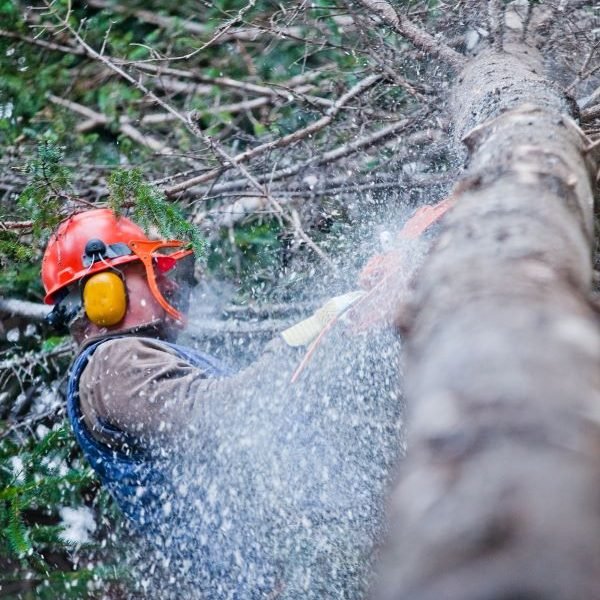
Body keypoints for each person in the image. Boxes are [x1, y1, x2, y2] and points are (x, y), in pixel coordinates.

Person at [40, 202, 452, 597]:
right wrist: (320, 328)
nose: (168, 284)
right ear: (103, 294)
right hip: (267, 584)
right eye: (150, 272)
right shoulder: (116, 364)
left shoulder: (128, 363)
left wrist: (345, 317)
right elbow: (230, 415)